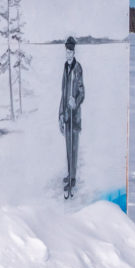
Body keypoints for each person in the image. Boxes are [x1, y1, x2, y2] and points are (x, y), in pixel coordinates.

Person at [58, 36, 85, 198]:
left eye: (71, 51)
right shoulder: (65, 67)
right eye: (67, 51)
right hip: (66, 114)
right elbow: (62, 93)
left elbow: (82, 91)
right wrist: (61, 113)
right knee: (68, 147)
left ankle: (73, 178)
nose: (69, 54)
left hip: (74, 115)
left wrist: (76, 100)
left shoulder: (77, 68)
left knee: (74, 148)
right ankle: (70, 174)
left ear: (74, 52)